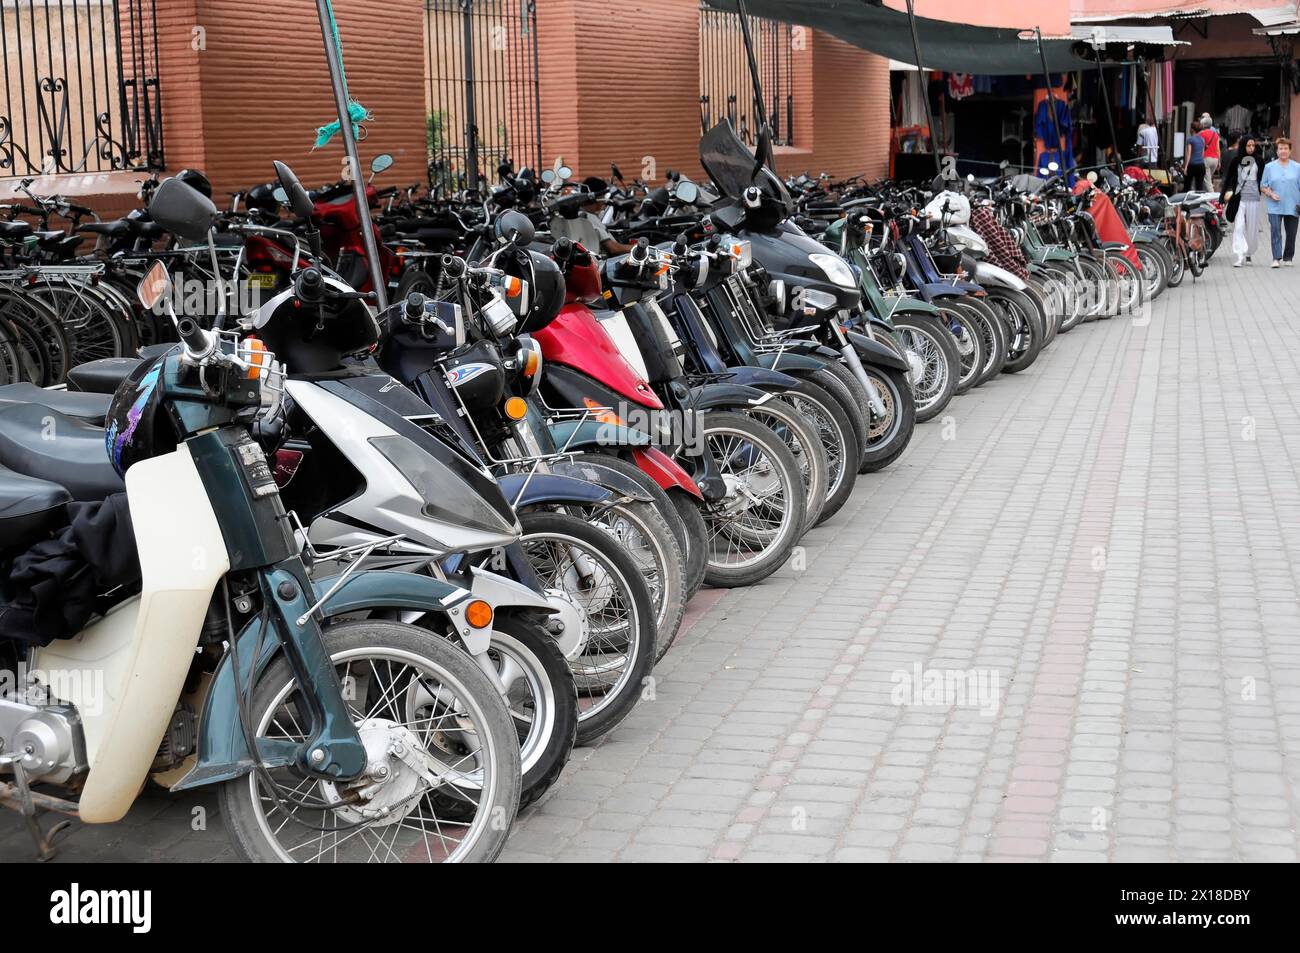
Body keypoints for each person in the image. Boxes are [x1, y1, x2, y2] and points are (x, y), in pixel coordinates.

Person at [549, 176, 632, 256]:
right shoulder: (589, 218)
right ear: (597, 197)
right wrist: (636, 248)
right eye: (603, 196)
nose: (604, 200)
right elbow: (612, 248)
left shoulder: (577, 217)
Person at [1219, 136, 1264, 266]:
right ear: (1243, 146)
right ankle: (1239, 255)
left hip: (1254, 199)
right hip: (1239, 199)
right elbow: (1228, 179)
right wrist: (1222, 196)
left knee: (1252, 229)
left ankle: (1249, 253)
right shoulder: (1236, 160)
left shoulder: (1259, 161)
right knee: (1239, 227)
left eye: (1253, 146)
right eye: (1248, 146)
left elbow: (1263, 178)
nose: (1251, 148)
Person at [1261, 137, 1300, 266]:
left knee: (1291, 233)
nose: (1283, 151)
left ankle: (1288, 257)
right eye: (1280, 148)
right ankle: (1276, 258)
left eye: (1285, 148)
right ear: (1277, 151)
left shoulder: (1297, 167)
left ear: (1290, 151)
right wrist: (1271, 194)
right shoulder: (1269, 167)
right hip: (1274, 205)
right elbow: (1263, 186)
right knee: (1275, 231)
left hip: (1293, 204)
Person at [1198, 113, 1221, 188]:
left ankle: (1214, 198)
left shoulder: (1201, 134)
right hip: (1215, 160)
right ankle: (1207, 197)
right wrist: (1219, 161)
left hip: (1206, 159)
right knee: (1208, 180)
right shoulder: (1216, 134)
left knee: (1207, 182)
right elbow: (1218, 149)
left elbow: (1200, 147)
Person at [1184, 120, 1207, 191]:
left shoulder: (1190, 140)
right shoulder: (1202, 140)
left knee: (1187, 185)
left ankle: (1186, 201)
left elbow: (1188, 154)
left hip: (1192, 164)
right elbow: (1202, 154)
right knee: (1199, 186)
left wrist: (1185, 167)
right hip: (1201, 165)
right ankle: (1199, 201)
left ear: (1192, 129)